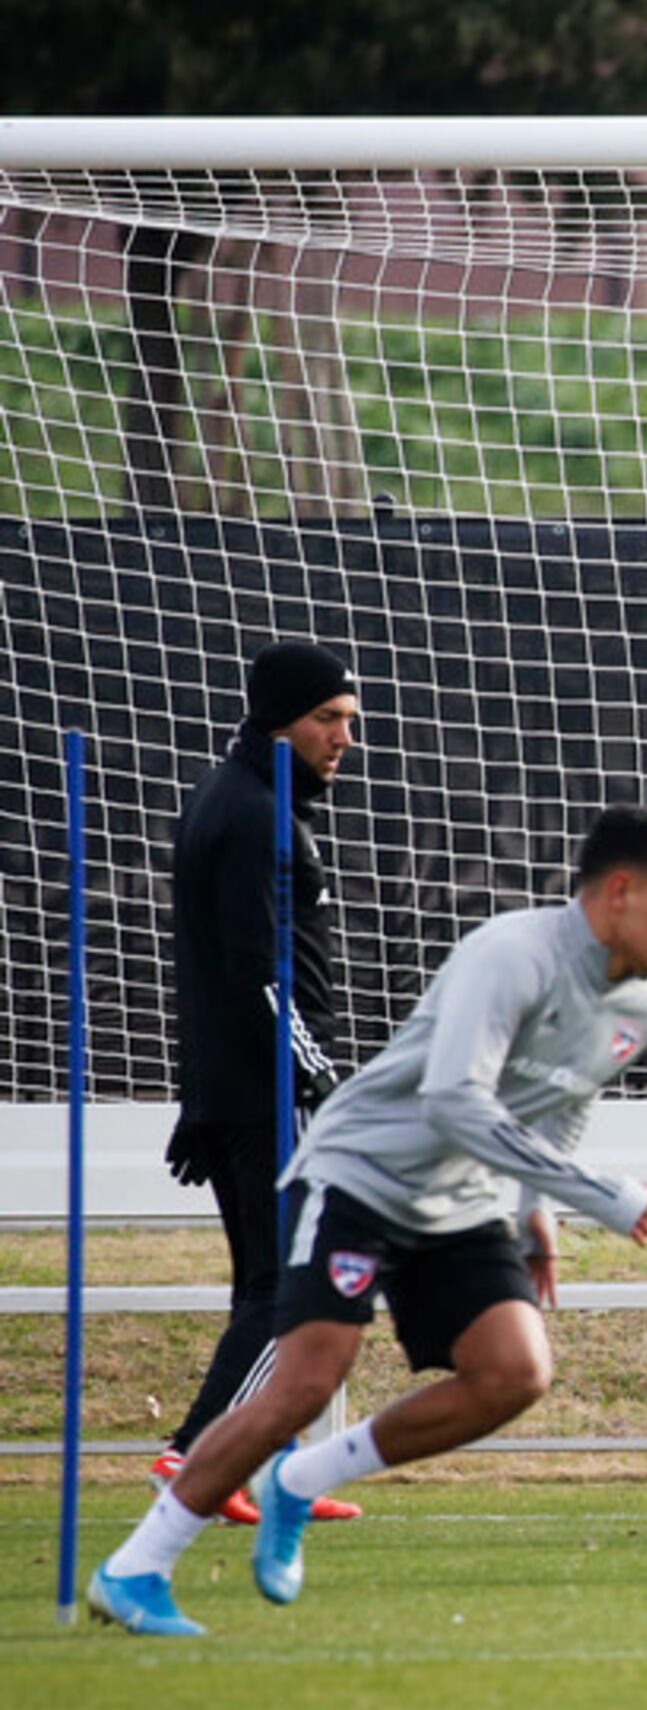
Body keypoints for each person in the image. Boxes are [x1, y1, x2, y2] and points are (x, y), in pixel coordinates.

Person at [88, 805, 647, 1637]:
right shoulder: (509, 954)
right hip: (360, 1177)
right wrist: (602, 1194)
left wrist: (537, 1215)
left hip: (463, 1202)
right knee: (306, 1381)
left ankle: (299, 1482)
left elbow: (561, 1106)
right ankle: (135, 1568)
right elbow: (454, 1101)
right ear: (621, 892)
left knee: (514, 1374)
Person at [157, 642, 371, 1526]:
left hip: (237, 1085)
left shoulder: (239, 796)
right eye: (328, 719)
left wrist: (199, 1094)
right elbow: (256, 971)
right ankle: (199, 1454)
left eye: (350, 721)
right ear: (278, 719)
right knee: (291, 1292)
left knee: (269, 1286)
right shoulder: (252, 814)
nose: (343, 738)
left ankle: (272, 1465)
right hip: (271, 1088)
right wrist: (322, 1079)